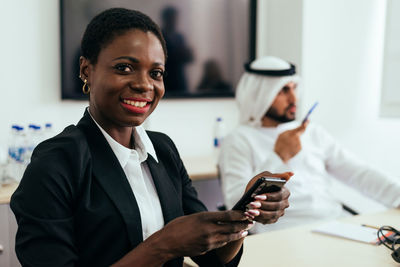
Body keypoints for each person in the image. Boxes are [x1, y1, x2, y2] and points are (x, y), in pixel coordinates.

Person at [10, 10, 291, 267]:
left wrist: (244, 215)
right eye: (124, 68)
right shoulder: (56, 163)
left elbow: (214, 260)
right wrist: (163, 245)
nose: (145, 84)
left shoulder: (163, 149)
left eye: (156, 73)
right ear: (87, 70)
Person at [219, 56, 400, 234]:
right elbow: (235, 206)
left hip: (334, 224)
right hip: (281, 234)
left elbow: (359, 173)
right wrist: (279, 157)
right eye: (283, 90)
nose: (293, 99)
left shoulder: (311, 132)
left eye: (294, 88)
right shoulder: (238, 139)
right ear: (258, 95)